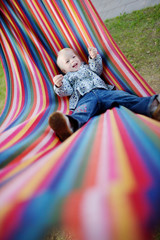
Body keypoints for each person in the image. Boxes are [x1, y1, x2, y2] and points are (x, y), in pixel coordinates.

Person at [49, 47, 160, 141]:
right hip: (85, 99)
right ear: (64, 70)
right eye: (67, 61)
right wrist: (59, 85)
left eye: (73, 57)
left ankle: (153, 106)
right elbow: (67, 91)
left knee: (123, 97)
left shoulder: (86, 67)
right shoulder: (67, 78)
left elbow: (97, 70)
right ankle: (69, 126)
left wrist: (94, 58)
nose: (72, 61)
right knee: (82, 112)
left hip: (104, 92)